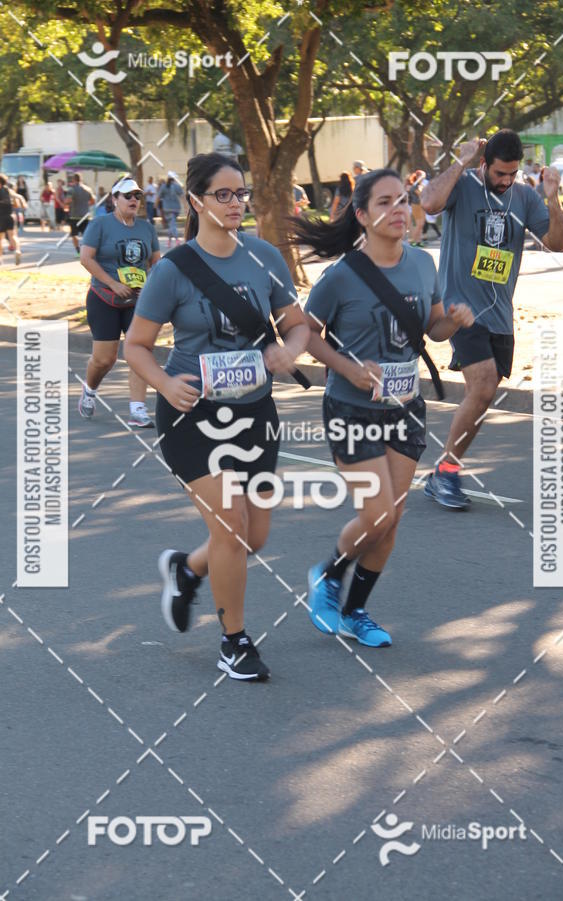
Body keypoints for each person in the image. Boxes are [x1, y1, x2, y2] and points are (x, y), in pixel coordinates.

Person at [124, 152, 309, 682]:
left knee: (255, 538)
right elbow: (136, 346)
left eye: (241, 193)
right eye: (224, 194)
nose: (236, 203)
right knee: (230, 529)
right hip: (192, 415)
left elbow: (298, 325)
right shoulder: (172, 270)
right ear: (196, 201)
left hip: (255, 413)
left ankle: (186, 568)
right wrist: (164, 383)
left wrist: (289, 349)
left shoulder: (265, 257)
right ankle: (235, 641)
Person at [291, 169, 473, 646]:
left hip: (406, 406)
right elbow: (306, 332)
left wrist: (452, 321)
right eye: (385, 202)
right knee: (375, 515)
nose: (398, 210)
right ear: (362, 215)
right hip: (352, 408)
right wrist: (346, 369)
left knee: (392, 518)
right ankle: (326, 574)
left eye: (403, 200)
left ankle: (355, 611)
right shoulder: (341, 277)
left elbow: (431, 328)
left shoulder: (421, 265)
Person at [420, 129, 563, 509]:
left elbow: (557, 243)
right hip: (460, 308)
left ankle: (442, 471)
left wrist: (554, 199)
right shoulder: (465, 183)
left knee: (482, 396)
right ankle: (448, 474)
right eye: (500, 173)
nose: (506, 181)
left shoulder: (523, 197)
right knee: (484, 385)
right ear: (485, 164)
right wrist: (461, 160)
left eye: (512, 174)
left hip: (500, 312)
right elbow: (429, 203)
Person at [78, 176, 160, 428]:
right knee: (105, 359)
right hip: (104, 298)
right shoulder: (100, 224)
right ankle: (89, 391)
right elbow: (86, 258)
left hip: (137, 301)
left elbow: (156, 261)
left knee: (140, 352)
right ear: (114, 200)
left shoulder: (146, 228)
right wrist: (112, 283)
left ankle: (137, 409)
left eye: (137, 196)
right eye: (128, 196)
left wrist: (153, 286)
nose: (134, 200)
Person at [67, 173, 95, 254]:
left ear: (73, 180)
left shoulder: (71, 189)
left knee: (74, 234)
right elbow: (93, 201)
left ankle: (78, 251)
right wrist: (86, 204)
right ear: (81, 179)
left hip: (74, 215)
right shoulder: (88, 189)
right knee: (86, 234)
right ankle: (86, 250)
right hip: (85, 215)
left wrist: (66, 204)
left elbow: (68, 200)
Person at [157, 171, 183, 247]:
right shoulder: (177, 186)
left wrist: (155, 205)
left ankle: (171, 241)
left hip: (167, 208)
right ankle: (175, 240)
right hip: (176, 209)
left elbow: (158, 197)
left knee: (172, 225)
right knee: (172, 224)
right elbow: (182, 196)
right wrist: (186, 207)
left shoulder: (163, 186)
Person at [0, 175, 21, 265]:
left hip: (1, 217)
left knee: (0, 239)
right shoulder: (9, 190)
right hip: (10, 216)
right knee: (13, 236)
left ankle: (0, 258)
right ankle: (17, 250)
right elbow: (17, 202)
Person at [407, 170, 426, 245]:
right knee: (419, 224)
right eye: (422, 176)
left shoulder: (421, 185)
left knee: (421, 224)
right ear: (418, 176)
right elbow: (421, 194)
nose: (424, 178)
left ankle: (419, 241)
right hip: (416, 205)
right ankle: (413, 240)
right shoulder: (415, 186)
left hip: (421, 205)